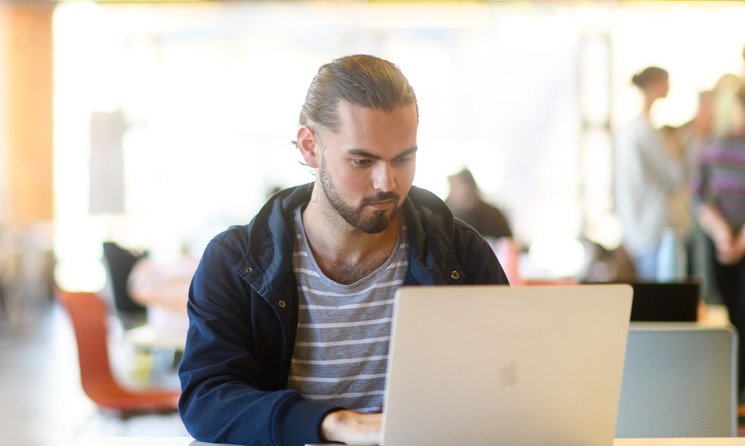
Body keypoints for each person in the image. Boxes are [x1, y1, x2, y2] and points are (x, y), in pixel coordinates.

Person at [177, 54, 509, 446]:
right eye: (362, 160)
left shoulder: (461, 254)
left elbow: (504, 386)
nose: (386, 182)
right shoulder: (235, 261)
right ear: (309, 147)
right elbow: (206, 400)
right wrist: (338, 424)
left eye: (403, 158)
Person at [692, 83, 745, 394]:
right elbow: (698, 196)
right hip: (721, 240)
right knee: (728, 312)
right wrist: (722, 232)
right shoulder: (713, 144)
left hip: (739, 241)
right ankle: (733, 388)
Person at [614, 66, 686, 280]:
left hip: (637, 227)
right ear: (655, 85)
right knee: (664, 304)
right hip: (654, 229)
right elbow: (675, 175)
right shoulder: (646, 131)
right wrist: (680, 147)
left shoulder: (629, 129)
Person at [445, 167, 512, 241]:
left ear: (473, 188)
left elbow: (509, 244)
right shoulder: (444, 217)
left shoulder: (493, 215)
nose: (462, 193)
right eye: (456, 188)